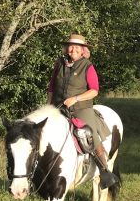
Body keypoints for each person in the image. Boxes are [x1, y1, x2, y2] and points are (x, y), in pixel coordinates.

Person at [47, 33, 118, 190]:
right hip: (58, 106)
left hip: (80, 108)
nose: (73, 49)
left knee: (89, 133)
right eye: (71, 46)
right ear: (67, 48)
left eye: (77, 47)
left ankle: (105, 171)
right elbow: (52, 87)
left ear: (82, 50)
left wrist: (76, 98)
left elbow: (94, 91)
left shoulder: (87, 66)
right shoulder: (59, 64)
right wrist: (48, 106)